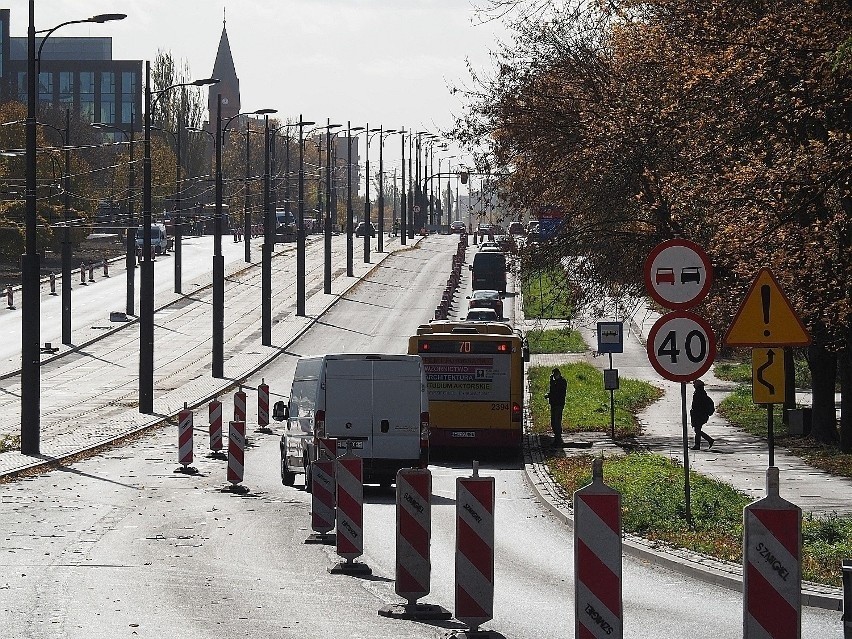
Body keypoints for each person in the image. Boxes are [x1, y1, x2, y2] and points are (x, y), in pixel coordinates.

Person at [690, 379, 715, 450]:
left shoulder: (699, 394)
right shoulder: (701, 393)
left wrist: (694, 414)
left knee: (697, 430)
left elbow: (697, 406)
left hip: (699, 415)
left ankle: (707, 441)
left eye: (694, 384)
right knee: (697, 430)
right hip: (701, 415)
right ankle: (698, 444)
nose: (693, 386)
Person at [544, 368, 567, 444]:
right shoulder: (554, 382)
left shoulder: (562, 382)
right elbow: (553, 391)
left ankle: (558, 436)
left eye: (555, 375)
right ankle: (557, 435)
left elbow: (557, 392)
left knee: (557, 420)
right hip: (554, 403)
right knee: (553, 421)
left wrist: (549, 395)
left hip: (559, 404)